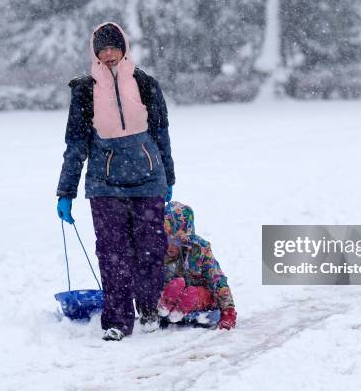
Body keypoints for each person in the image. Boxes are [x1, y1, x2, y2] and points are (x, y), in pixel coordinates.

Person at [56, 22, 175, 341]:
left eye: (114, 48)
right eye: (102, 49)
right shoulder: (84, 89)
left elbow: (161, 134)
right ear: (95, 53)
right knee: (112, 252)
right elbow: (76, 144)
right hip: (104, 183)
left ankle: (149, 308)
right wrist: (66, 191)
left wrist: (169, 177)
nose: (108, 54)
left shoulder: (145, 83)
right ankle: (118, 320)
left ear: (124, 49)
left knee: (150, 248)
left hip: (148, 179)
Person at [157, 201, 237, 330]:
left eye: (175, 240)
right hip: (168, 295)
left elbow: (217, 278)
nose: (170, 246)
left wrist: (228, 310)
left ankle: (180, 311)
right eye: (167, 239)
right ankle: (163, 309)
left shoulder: (200, 249)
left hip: (198, 297)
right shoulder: (155, 249)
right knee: (175, 285)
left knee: (192, 292)